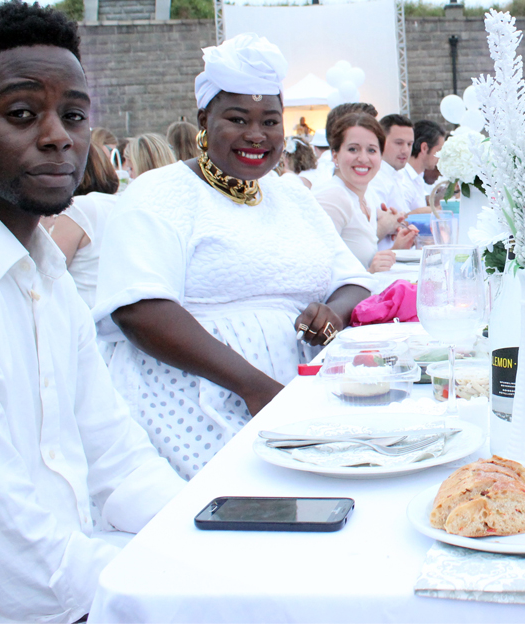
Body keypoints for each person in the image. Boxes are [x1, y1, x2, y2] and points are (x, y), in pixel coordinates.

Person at [0, 3, 185, 621]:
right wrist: (188, 588)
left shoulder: (46, 273)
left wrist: (204, 538)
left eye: (73, 116)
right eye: (22, 114)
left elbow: (120, 462)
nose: (58, 137)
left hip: (71, 583)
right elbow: (18, 563)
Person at [92, 33, 376, 479]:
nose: (256, 135)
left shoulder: (292, 197)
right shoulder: (161, 193)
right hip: (189, 402)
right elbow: (139, 308)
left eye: (270, 121)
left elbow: (354, 281)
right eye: (238, 119)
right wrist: (253, 386)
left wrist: (333, 313)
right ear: (204, 120)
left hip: (297, 395)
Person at [313, 112, 413, 273]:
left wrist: (397, 248)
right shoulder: (331, 199)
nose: (363, 158)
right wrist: (370, 272)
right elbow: (318, 273)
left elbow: (363, 260)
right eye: (353, 149)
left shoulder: (366, 196)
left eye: (371, 150)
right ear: (335, 155)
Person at [50, 142, 122, 308]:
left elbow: (48, 270)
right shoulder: (117, 202)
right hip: (114, 311)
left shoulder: (79, 208)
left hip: (87, 311)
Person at [404, 119, 446, 209]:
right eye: (439, 150)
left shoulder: (418, 177)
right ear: (424, 148)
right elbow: (403, 216)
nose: (440, 157)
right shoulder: (402, 179)